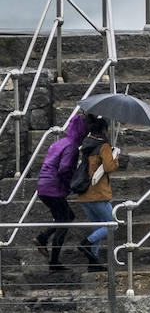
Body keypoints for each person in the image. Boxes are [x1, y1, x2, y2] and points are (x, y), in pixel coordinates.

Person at [33, 113, 88, 272]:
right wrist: (68, 185)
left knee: (65, 217)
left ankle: (42, 238)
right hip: (54, 188)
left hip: (44, 185)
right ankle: (54, 261)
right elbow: (64, 168)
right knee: (64, 220)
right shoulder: (71, 147)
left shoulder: (60, 142)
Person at [72, 115, 121, 270]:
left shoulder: (86, 145)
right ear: (103, 129)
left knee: (97, 226)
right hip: (98, 194)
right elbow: (109, 167)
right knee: (112, 225)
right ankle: (86, 243)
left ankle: (92, 262)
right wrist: (115, 157)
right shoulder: (103, 146)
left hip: (84, 194)